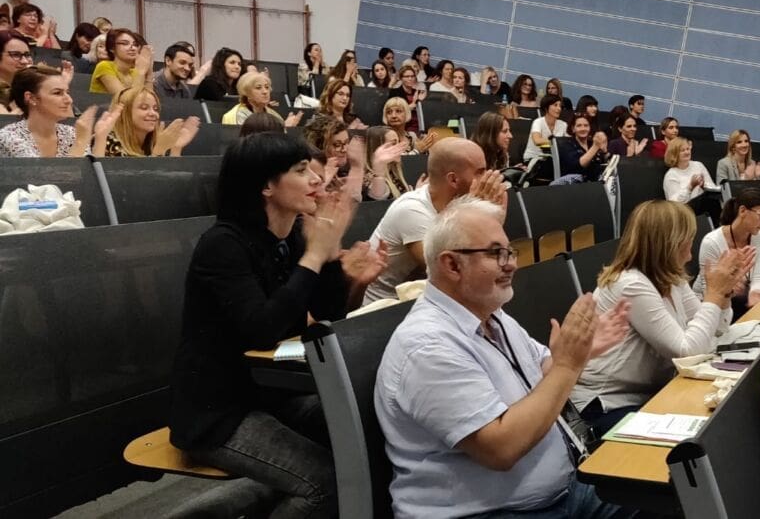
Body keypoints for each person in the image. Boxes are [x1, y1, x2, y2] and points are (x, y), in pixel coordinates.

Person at [169, 132, 387, 519]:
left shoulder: (292, 238)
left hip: (273, 395)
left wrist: (332, 257)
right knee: (325, 483)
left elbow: (327, 316)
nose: (316, 179)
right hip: (218, 413)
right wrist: (315, 256)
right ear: (267, 186)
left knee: (370, 434)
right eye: (301, 171)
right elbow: (263, 329)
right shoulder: (223, 244)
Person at [374, 195, 633, 518]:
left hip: (560, 494)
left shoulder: (493, 316)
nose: (511, 263)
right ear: (452, 264)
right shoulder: (427, 346)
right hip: (488, 512)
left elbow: (544, 374)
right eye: (496, 253)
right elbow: (501, 448)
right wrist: (568, 365)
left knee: (663, 491)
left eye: (509, 252)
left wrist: (579, 352)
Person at [573, 200, 752, 432]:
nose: (690, 254)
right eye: (688, 241)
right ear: (669, 244)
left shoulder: (671, 278)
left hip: (647, 393)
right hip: (607, 403)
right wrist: (714, 294)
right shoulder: (631, 284)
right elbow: (686, 352)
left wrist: (724, 295)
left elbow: (716, 331)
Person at [364, 137, 508, 303]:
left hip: (423, 298)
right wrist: (479, 216)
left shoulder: (452, 204)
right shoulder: (412, 211)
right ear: (453, 179)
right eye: (480, 172)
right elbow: (453, 274)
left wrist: (492, 219)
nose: (486, 178)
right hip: (387, 306)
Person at [0, 66, 116, 157]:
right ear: (31, 98)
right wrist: (80, 142)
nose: (69, 100)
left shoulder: (70, 133)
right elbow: (46, 180)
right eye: (57, 93)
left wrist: (101, 137)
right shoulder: (10, 137)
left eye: (67, 92)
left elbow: (92, 176)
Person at [693, 188, 760, 316]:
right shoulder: (712, 242)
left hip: (739, 300)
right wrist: (728, 288)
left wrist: (755, 294)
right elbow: (707, 290)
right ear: (742, 211)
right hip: (706, 304)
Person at [103, 87, 200, 157]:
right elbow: (138, 178)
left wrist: (176, 148)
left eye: (155, 109)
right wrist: (158, 151)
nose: (153, 113)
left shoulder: (153, 142)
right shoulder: (109, 142)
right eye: (144, 108)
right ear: (124, 112)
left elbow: (169, 177)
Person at [222, 72, 303, 127]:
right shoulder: (238, 115)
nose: (265, 92)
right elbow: (249, 143)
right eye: (258, 88)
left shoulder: (274, 115)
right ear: (246, 93)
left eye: (267, 87)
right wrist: (284, 128)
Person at [90, 29, 152, 95]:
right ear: (112, 48)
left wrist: (149, 71)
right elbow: (124, 98)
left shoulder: (134, 72)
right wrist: (141, 72)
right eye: (125, 43)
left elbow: (149, 98)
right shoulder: (104, 66)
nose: (133, 48)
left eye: (135, 44)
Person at [663, 137, 720, 205]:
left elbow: (713, 188)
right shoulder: (671, 175)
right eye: (682, 150)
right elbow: (675, 204)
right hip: (684, 210)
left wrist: (704, 186)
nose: (687, 152)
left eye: (688, 149)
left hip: (703, 207)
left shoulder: (698, 165)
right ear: (674, 154)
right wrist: (690, 187)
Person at [363, 125, 412, 200]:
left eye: (398, 142)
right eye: (393, 144)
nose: (399, 147)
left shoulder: (395, 172)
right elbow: (379, 198)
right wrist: (379, 167)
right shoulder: (370, 179)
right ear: (377, 148)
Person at [558, 115, 607, 181]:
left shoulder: (592, 143)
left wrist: (604, 151)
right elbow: (579, 166)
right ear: (573, 129)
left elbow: (603, 164)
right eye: (579, 126)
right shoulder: (566, 145)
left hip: (597, 182)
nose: (583, 129)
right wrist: (595, 146)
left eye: (586, 125)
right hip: (575, 183)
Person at [524, 94, 566, 162]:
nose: (559, 108)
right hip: (534, 158)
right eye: (555, 105)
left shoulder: (563, 124)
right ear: (546, 107)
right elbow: (537, 140)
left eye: (560, 106)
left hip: (553, 159)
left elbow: (567, 143)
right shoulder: (538, 122)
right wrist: (556, 142)